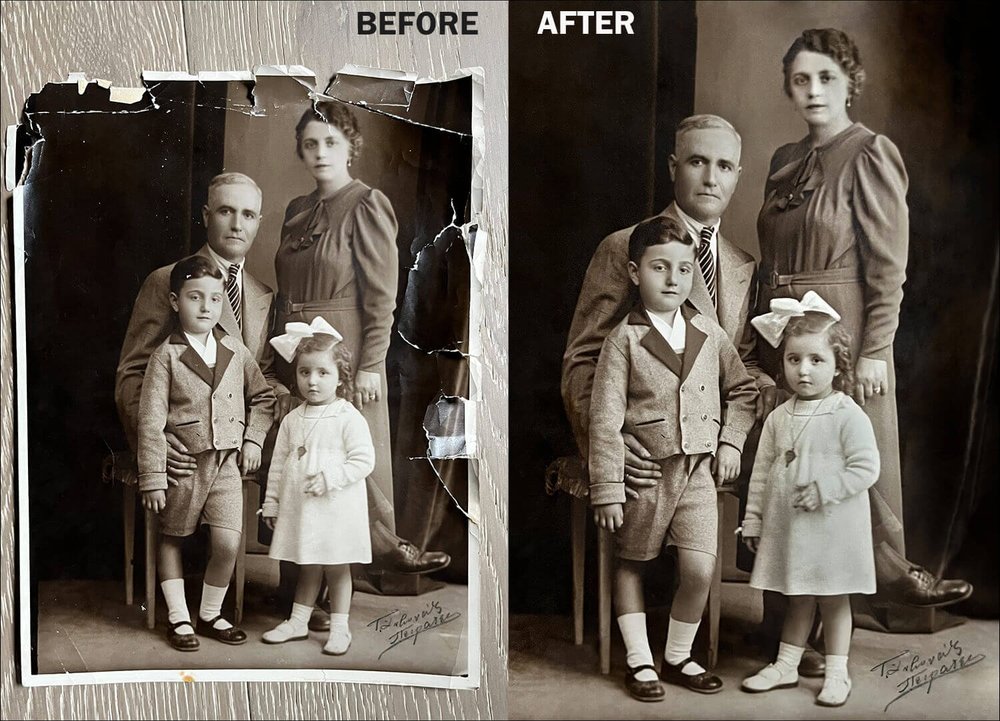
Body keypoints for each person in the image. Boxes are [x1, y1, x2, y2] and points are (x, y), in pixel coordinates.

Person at [115, 172, 447, 625]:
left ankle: (309, 596)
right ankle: (383, 547)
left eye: (248, 214)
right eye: (226, 211)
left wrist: (290, 407)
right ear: (206, 216)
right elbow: (134, 373)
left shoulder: (260, 293)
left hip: (244, 427)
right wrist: (153, 437)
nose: (237, 224)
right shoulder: (169, 281)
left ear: (258, 223)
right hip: (187, 432)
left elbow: (260, 375)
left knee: (320, 434)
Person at [754, 28, 971, 628]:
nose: (813, 90)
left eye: (826, 77)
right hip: (784, 334)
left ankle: (890, 581)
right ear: (789, 88)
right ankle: (792, 623)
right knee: (793, 462)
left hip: (846, 333)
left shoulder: (871, 151)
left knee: (845, 464)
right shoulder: (782, 160)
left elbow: (888, 265)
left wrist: (875, 349)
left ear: (850, 81)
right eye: (801, 80)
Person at [272, 101, 450, 606]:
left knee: (349, 458)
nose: (320, 153)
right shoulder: (295, 210)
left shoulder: (367, 202)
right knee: (302, 455)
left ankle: (380, 553)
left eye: (331, 142)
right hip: (297, 347)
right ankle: (300, 590)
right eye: (310, 144)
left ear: (352, 146)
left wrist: (371, 362)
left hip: (346, 348)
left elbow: (381, 294)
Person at [589, 215, 758, 701]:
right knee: (632, 561)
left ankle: (678, 654)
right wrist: (607, 486)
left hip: (698, 472)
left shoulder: (709, 331)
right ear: (634, 272)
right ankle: (640, 661)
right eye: (660, 268)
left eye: (684, 270)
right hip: (645, 475)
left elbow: (743, 390)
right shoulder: (624, 339)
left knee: (701, 568)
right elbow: (604, 418)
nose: (673, 279)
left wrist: (731, 442)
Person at [740, 293, 879, 707]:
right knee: (797, 595)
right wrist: (753, 520)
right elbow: (763, 473)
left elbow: (865, 468)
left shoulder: (847, 413)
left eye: (816, 360)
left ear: (838, 367)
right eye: (793, 359)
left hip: (833, 528)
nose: (803, 370)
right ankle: (786, 664)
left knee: (834, 599)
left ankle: (837, 671)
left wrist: (824, 489)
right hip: (794, 529)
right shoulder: (779, 417)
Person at [136, 255, 276, 650]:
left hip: (226, 464)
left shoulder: (235, 349)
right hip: (183, 467)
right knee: (173, 536)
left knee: (229, 542)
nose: (205, 307)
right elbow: (150, 420)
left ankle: (210, 612)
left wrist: (253, 440)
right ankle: (179, 618)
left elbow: (263, 398)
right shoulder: (166, 356)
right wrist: (153, 476)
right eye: (195, 297)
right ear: (175, 301)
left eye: (215, 299)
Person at [261, 318, 374, 655]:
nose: (312, 381)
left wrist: (330, 478)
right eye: (304, 372)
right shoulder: (293, 419)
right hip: (305, 509)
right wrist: (271, 503)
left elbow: (363, 460)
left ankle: (340, 627)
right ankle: (298, 621)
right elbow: (279, 465)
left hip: (336, 508)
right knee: (307, 563)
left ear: (341, 378)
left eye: (323, 373)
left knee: (337, 567)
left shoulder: (348, 416)